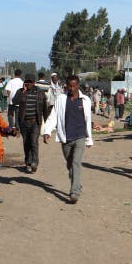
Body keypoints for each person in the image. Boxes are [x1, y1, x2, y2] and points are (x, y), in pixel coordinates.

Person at [43, 75, 94, 204]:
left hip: (80, 137)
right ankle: (77, 184)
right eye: (69, 86)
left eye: (74, 86)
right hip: (65, 138)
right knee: (70, 165)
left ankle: (74, 192)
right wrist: (47, 131)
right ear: (66, 86)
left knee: (76, 163)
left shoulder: (85, 100)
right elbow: (53, 116)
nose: (72, 88)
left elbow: (88, 120)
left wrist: (89, 139)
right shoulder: (61, 99)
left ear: (78, 85)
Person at [12, 75, 47, 173]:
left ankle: (35, 163)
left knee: (34, 142)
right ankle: (28, 162)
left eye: (30, 82)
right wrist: (22, 93)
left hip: (35, 122)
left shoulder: (40, 93)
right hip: (23, 122)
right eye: (26, 82)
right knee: (26, 143)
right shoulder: (20, 92)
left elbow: (44, 108)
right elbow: (14, 102)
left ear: (34, 82)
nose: (28, 84)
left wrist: (47, 122)